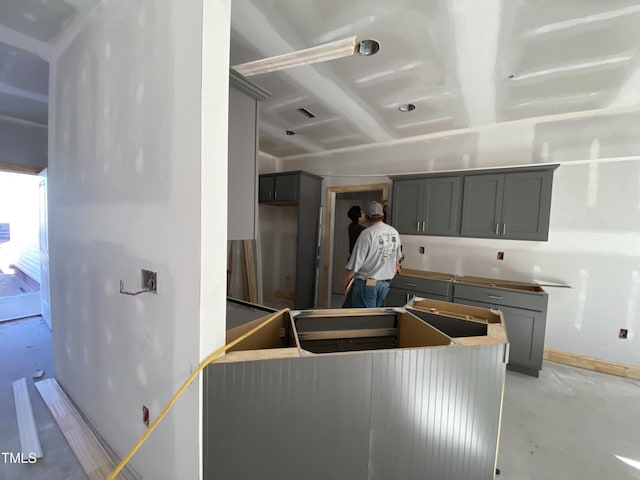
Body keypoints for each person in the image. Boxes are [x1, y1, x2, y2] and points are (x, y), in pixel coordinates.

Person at [343, 201, 402, 308]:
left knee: (363, 320)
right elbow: (397, 257)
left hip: (368, 284)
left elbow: (356, 262)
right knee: (371, 316)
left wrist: (346, 281)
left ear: (366, 216)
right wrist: (397, 267)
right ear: (383, 215)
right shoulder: (394, 232)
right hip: (384, 284)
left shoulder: (367, 233)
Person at [343, 205, 366, 307]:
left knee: (351, 287)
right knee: (355, 288)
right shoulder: (361, 230)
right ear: (359, 216)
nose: (364, 214)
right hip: (357, 263)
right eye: (362, 212)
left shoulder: (351, 226)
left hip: (352, 260)